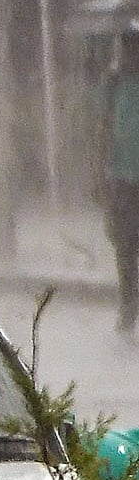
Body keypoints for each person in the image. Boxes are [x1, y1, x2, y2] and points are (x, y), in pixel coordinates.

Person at [104, 28, 139, 335]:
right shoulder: (113, 83)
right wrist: (99, 174)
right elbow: (103, 128)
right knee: (124, 246)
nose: (125, 57)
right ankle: (128, 304)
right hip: (122, 180)